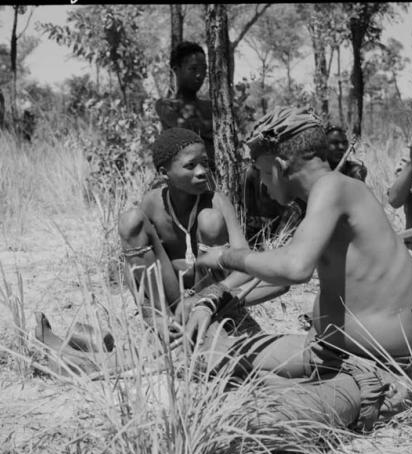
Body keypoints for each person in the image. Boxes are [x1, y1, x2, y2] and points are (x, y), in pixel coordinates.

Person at [195, 106, 412, 431]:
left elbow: (294, 268)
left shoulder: (335, 188)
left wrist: (227, 257)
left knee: (254, 424)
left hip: (375, 370)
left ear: (278, 167)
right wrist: (216, 298)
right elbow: (281, 278)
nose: (261, 185)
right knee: (211, 356)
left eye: (261, 173)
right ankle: (279, 384)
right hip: (328, 352)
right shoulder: (325, 195)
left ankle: (288, 391)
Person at [117, 127, 288, 343]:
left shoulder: (217, 200)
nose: (201, 171)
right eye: (190, 165)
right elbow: (132, 264)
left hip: (208, 297)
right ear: (163, 173)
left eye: (204, 163)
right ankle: (167, 325)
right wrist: (150, 314)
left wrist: (210, 296)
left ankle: (209, 320)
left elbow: (245, 264)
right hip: (170, 301)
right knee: (130, 221)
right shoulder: (152, 203)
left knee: (210, 220)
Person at [155, 42, 215, 175]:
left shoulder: (210, 106)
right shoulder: (165, 105)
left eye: (204, 69)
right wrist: (210, 129)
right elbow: (187, 130)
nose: (200, 75)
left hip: (213, 180)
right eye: (193, 69)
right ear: (176, 70)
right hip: (183, 181)